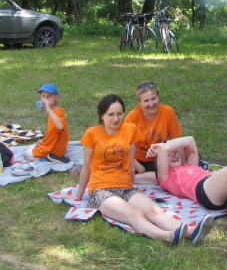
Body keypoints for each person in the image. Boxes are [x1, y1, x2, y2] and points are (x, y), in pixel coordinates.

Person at [75, 95, 214, 246]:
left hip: (125, 187)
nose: (116, 119)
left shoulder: (130, 129)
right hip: (100, 190)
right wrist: (78, 196)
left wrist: (132, 187)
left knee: (155, 211)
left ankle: (191, 232)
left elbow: (130, 164)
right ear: (102, 115)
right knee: (134, 214)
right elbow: (86, 168)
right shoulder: (92, 133)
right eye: (111, 115)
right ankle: (168, 236)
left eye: (119, 114)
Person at [125, 81, 183, 174]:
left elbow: (176, 141)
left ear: (158, 97)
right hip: (137, 159)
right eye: (146, 101)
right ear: (139, 102)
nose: (151, 104)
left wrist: (183, 167)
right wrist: (140, 168)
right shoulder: (132, 117)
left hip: (160, 157)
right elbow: (124, 147)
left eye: (154, 99)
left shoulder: (168, 111)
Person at [25, 83, 70, 163]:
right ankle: (48, 156)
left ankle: (47, 159)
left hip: (54, 149)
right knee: (29, 149)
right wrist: (43, 140)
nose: (45, 99)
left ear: (57, 97)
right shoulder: (54, 112)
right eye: (43, 96)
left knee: (25, 154)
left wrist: (49, 109)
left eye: (48, 96)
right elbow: (53, 132)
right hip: (52, 145)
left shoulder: (58, 112)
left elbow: (60, 127)